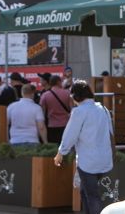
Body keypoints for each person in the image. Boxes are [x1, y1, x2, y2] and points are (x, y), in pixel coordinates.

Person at [54, 80, 113, 214]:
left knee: (92, 195)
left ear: (76, 96)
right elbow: (110, 133)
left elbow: (70, 134)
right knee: (85, 191)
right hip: (104, 159)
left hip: (88, 161)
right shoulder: (103, 109)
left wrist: (60, 153)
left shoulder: (79, 111)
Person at [40, 75, 72, 143]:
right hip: (66, 125)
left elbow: (42, 113)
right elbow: (72, 110)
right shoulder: (67, 93)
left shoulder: (45, 95)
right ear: (58, 82)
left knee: (55, 148)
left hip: (51, 126)